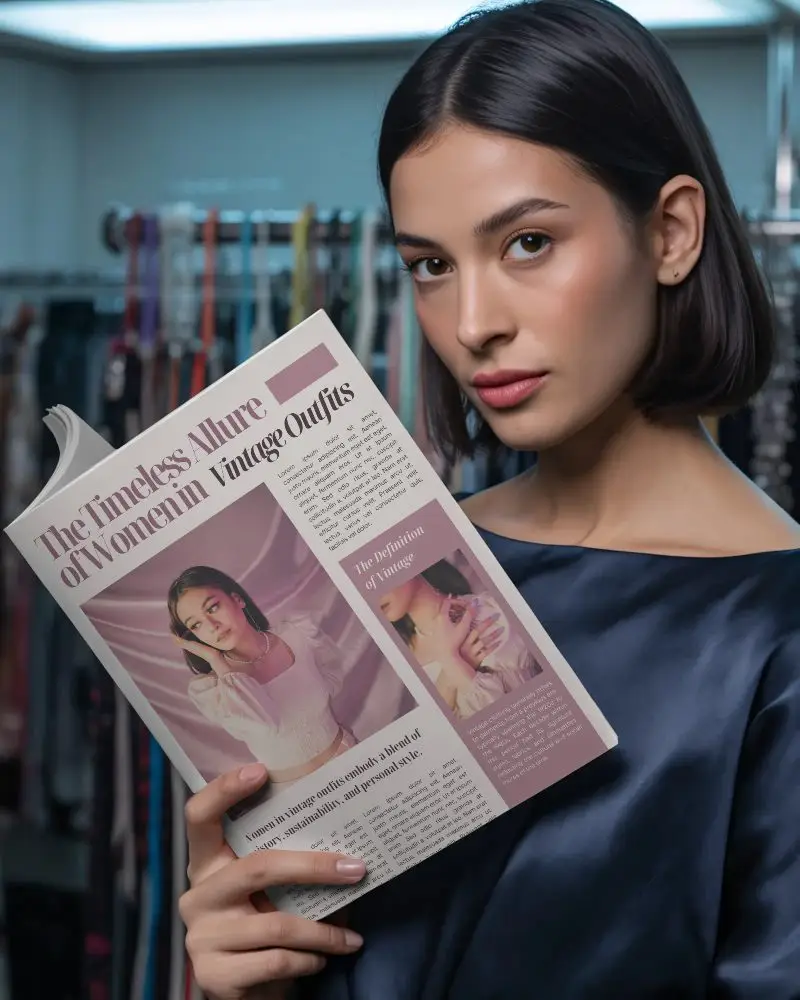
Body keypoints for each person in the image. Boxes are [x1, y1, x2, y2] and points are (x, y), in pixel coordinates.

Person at [177, 1, 800, 997]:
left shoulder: (773, 635)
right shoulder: (385, 574)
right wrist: (238, 964)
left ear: (671, 231)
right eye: (429, 265)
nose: (469, 324)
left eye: (524, 245)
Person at [168, 566, 357, 787]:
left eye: (213, 607)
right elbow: (265, 723)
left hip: (351, 758)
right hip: (295, 794)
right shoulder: (212, 690)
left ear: (237, 599)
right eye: (196, 625)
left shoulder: (299, 635)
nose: (212, 626)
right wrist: (216, 661)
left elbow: (331, 683)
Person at [380, 558, 537, 718]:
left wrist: (451, 660)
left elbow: (516, 718)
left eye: (375, 576)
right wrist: (450, 667)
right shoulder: (406, 661)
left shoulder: (494, 608)